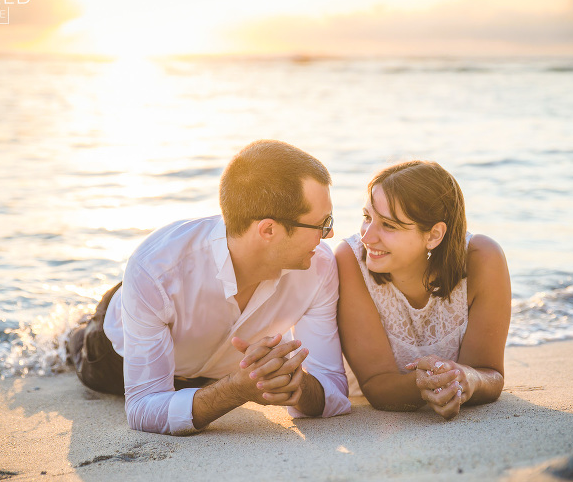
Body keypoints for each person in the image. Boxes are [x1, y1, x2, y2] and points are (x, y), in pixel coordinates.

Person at [67, 140, 350, 435]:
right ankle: (71, 331)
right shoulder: (156, 269)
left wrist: (294, 381)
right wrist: (235, 391)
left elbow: (333, 390)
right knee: (78, 343)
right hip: (115, 352)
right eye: (322, 224)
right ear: (268, 230)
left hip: (212, 375)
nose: (329, 235)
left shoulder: (318, 268)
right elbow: (141, 408)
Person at [335, 161, 511, 420]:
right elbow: (377, 385)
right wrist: (428, 384)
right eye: (367, 217)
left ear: (433, 235)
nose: (367, 236)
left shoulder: (483, 259)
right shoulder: (351, 259)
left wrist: (466, 379)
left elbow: (488, 372)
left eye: (388, 225)